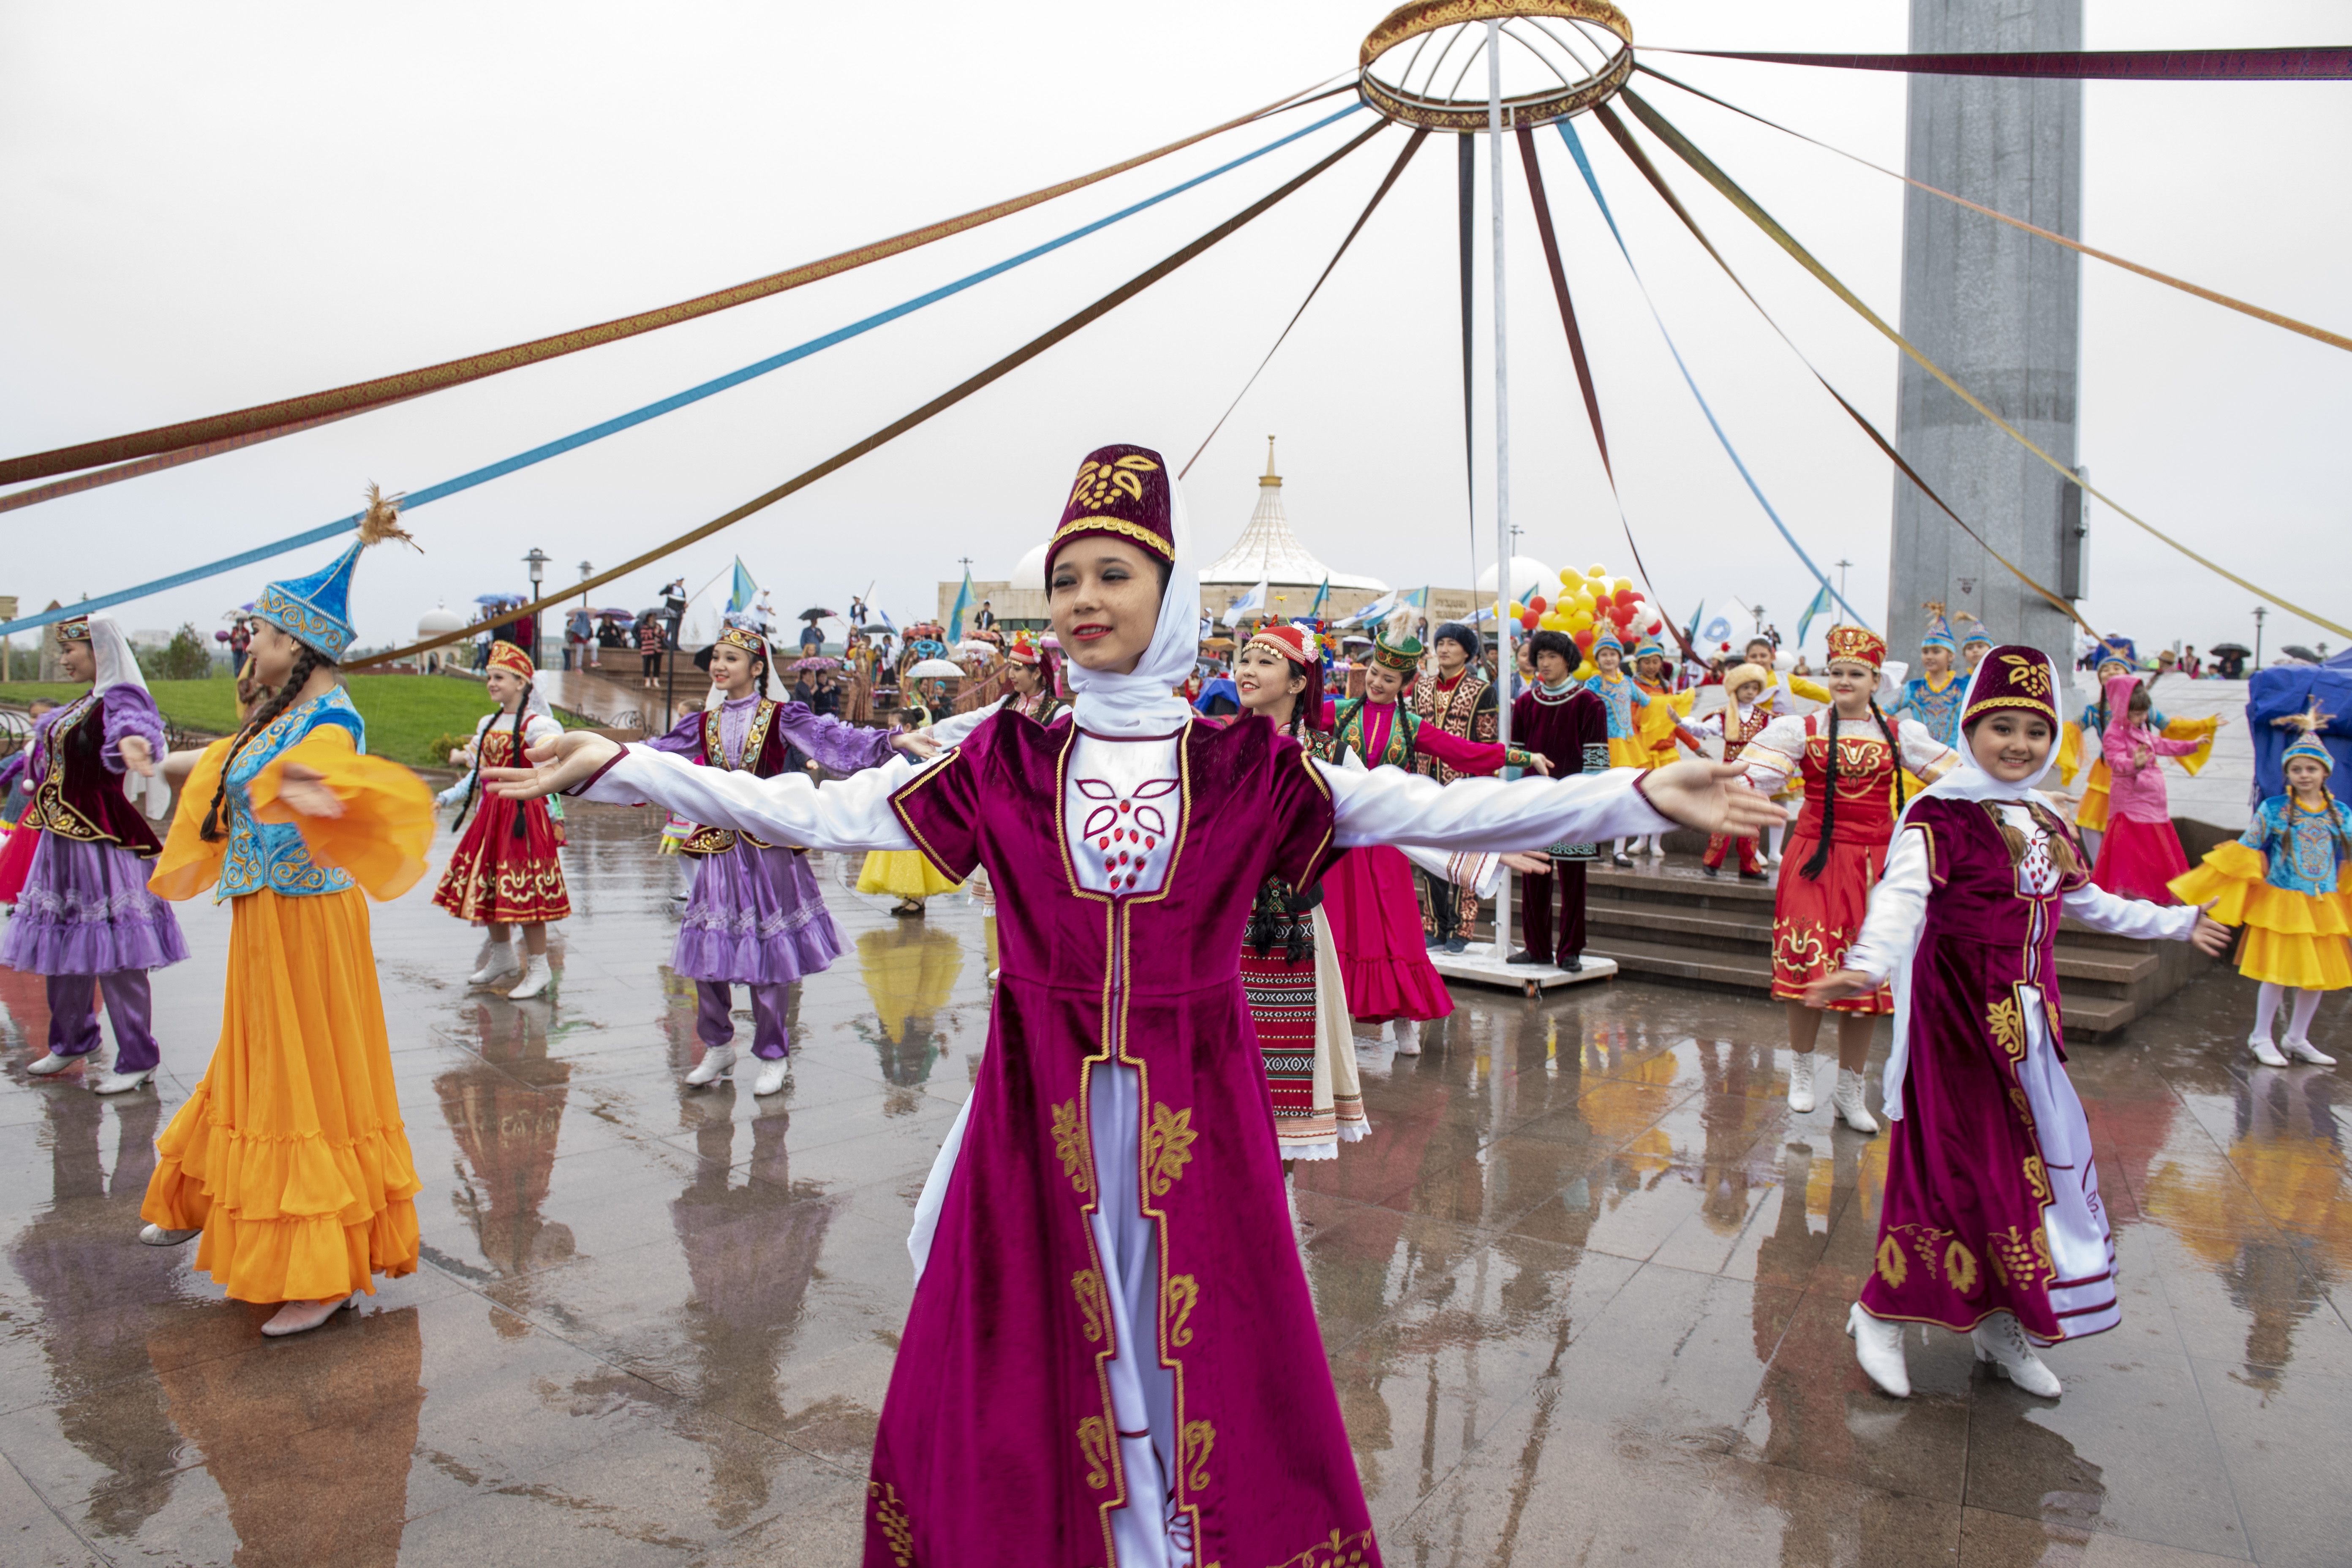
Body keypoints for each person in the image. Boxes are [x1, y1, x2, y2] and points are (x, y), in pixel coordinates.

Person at [482, 438, 1779, 1565]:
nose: (1083, 599)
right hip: (1035, 1101)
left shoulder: (1243, 765)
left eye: (1112, 572)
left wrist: (1632, 795)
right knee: (1025, 1324)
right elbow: (811, 810)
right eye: (1064, 578)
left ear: (1167, 591)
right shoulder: (1002, 755)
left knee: (1193, 1329)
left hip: (1194, 1109)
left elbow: (1438, 808)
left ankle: (1168, 1531)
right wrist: (626, 766)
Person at [1808, 644, 2228, 1399]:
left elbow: (2089, 903)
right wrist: (1869, 963)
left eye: (2034, 731)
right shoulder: (1938, 817)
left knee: (2021, 1177)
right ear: (1968, 731)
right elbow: (1902, 899)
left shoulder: (2044, 820)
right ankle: (1880, 1309)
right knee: (1942, 1170)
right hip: (1954, 1026)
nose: (2017, 744)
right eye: (1999, 726)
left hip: (2029, 1031)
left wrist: (2177, 922)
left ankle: (2004, 1324)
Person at [138, 497, 438, 1337]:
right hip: (263, 918)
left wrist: (317, 793)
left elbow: (342, 782)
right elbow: (234, 768)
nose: (252, 646)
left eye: (265, 636)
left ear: (300, 648)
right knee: (257, 1057)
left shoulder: (333, 718)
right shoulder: (275, 717)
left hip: (309, 924)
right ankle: (205, 1194)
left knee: (303, 1072)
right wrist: (160, 760)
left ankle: (323, 1267)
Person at [653, 624, 926, 1095]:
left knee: (767, 952)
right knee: (705, 951)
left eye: (730, 659)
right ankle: (717, 1045)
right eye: (716, 657)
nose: (720, 666)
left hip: (767, 848)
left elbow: (833, 739)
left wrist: (891, 742)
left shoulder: (781, 716)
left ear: (757, 669)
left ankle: (773, 1053)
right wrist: (598, 760)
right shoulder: (701, 723)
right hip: (718, 849)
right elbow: (654, 757)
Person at [1736, 626, 1957, 1130]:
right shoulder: (1802, 729)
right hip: (1813, 859)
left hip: (1874, 867)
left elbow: (1959, 777)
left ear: (1874, 680)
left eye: (1855, 673)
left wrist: (2025, 799)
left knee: (1866, 977)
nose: (1843, 680)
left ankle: (1851, 1089)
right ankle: (1801, 1068)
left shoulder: (1900, 734)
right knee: (1808, 962)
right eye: (1836, 672)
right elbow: (1753, 773)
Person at [3, 615, 187, 1092]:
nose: (64, 660)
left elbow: (134, 723)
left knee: (117, 949)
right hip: (59, 843)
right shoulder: (79, 704)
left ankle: (138, 1054)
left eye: (71, 651)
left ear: (98, 651)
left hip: (101, 842)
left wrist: (133, 743)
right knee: (62, 941)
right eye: (62, 651)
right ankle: (72, 1039)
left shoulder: (120, 697)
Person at [2172, 701, 2350, 1065]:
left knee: (2315, 976)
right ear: (2288, 774)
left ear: (2324, 773)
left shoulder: (2341, 813)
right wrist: (2218, 883)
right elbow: (2247, 849)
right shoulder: (2274, 809)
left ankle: (2298, 1036)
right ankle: (2260, 1035)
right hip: (2284, 903)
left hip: (2322, 905)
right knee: (2279, 972)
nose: (2304, 775)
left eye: (2311, 769)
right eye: (2296, 769)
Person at [432, 642, 569, 999]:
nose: (492, 683)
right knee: (490, 885)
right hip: (491, 815)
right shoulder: (488, 722)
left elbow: (555, 760)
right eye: (490, 677)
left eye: (500, 677)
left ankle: (539, 968)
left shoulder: (537, 724)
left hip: (523, 814)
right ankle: (503, 956)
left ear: (522, 682)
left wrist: (550, 755)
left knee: (527, 892)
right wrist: (445, 798)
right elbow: (479, 774)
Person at [2058, 638, 2218, 861]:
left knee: (2133, 821)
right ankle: (2099, 867)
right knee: (2090, 821)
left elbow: (2169, 728)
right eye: (2106, 669)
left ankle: (2128, 865)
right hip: (2107, 771)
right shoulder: (2094, 710)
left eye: (2117, 668)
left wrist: (2203, 727)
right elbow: (2071, 730)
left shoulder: (2144, 708)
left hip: (2140, 774)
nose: (2110, 673)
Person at [1509, 629, 1607, 970]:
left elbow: (1597, 762)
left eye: (1552, 657)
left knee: (1572, 882)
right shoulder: (1525, 703)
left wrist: (1590, 804)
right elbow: (1516, 757)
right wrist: (1509, 800)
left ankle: (1570, 950)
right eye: (1540, 658)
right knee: (1533, 875)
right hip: (1534, 804)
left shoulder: (1589, 704)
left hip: (1573, 804)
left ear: (1568, 660)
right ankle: (1536, 947)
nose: (1545, 664)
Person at [1410, 621, 1499, 948]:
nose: (1444, 649)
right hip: (1426, 784)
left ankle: (1462, 928)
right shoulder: (1421, 688)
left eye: (1452, 643)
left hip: (1465, 786)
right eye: (1441, 643)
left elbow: (1488, 742)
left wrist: (1484, 786)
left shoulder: (1481, 690)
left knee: (1465, 857)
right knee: (1431, 857)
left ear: (1467, 651)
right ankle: (1434, 924)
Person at [2087, 672, 2207, 902]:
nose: (2143, 717)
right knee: (2134, 849)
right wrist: (2135, 763)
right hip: (2131, 801)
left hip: (2152, 798)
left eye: (2144, 712)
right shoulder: (2114, 733)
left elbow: (2162, 744)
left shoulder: (2141, 728)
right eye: (2137, 713)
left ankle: (2150, 892)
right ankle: (2133, 892)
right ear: (2123, 709)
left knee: (2154, 847)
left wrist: (2192, 745)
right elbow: (2115, 761)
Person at [1687, 662, 1775, 880]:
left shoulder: (1766, 717)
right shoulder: (1725, 715)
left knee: (1752, 819)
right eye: (1746, 688)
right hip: (1729, 774)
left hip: (1754, 774)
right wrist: (1682, 723)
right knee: (1723, 817)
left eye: (1754, 688)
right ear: (1736, 689)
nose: (1750, 692)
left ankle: (1749, 865)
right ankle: (1712, 861)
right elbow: (1703, 729)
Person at [1580, 630, 1660, 866]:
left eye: (1613, 654)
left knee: (1624, 798)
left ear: (1620, 658)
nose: (1608, 659)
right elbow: (1580, 707)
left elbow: (1649, 703)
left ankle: (1619, 850)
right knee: (1596, 798)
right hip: (1600, 745)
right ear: (1597, 659)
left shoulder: (1627, 683)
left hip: (1626, 747)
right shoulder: (1593, 683)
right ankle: (1589, 846)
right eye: (1603, 655)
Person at [1889, 602, 1967, 749]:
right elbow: (1884, 711)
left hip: (1956, 759)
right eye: (1926, 652)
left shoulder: (1964, 688)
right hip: (1922, 758)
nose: (1929, 657)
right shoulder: (1913, 688)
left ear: (1951, 657)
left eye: (1936, 652)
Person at [1002, 633, 1065, 724]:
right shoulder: (1007, 703)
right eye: (1010, 668)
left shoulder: (1061, 713)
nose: (1010, 676)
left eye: (1017, 669)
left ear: (1036, 673)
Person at [1955, 613, 1993, 677]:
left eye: (1980, 646)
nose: (1975, 650)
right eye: (1970, 648)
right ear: (1964, 655)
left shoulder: (1996, 678)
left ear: (1991, 650)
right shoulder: (1962, 684)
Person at [636, 611, 665, 689]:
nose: (654, 619)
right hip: (647, 650)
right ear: (648, 618)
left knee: (657, 666)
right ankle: (647, 680)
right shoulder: (645, 627)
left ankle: (656, 681)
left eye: (655, 617)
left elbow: (663, 635)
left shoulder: (658, 626)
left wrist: (659, 632)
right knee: (647, 666)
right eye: (652, 617)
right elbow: (643, 637)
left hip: (657, 650)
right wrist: (653, 633)